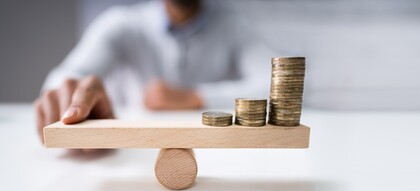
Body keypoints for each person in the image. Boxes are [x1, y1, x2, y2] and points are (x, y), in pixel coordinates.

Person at [33, 0, 272, 142]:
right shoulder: (122, 23)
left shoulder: (235, 27)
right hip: (125, 155)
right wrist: (67, 96)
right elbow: (64, 78)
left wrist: (195, 97)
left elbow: (275, 88)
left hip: (213, 151)